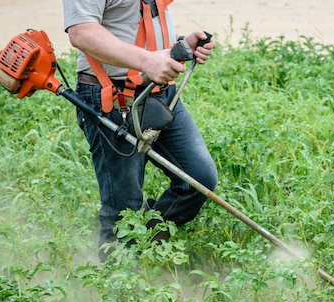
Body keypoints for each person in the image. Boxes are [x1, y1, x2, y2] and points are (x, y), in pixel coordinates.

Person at [62, 0, 218, 261]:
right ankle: (119, 290)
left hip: (159, 94)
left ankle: (139, 251)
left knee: (198, 179)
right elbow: (81, 32)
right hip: (112, 97)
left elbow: (137, 22)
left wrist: (178, 48)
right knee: (123, 211)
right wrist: (147, 60)